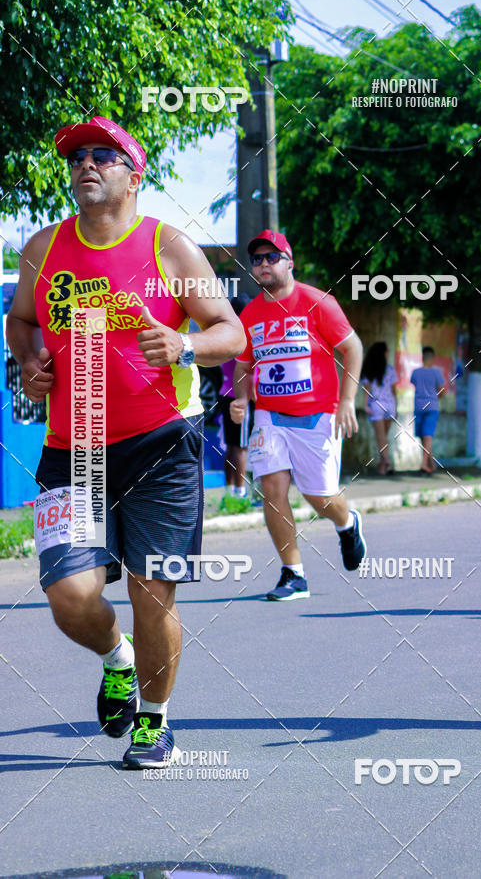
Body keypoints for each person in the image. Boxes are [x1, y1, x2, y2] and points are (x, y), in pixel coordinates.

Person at [6, 116, 245, 769]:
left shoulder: (170, 249)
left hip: (161, 444)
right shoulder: (42, 248)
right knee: (70, 596)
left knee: (152, 590)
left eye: (103, 155)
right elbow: (21, 319)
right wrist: (28, 359)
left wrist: (185, 343)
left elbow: (231, 332)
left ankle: (154, 720)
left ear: (133, 175)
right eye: (78, 156)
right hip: (71, 451)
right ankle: (117, 660)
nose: (86, 163)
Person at [230, 229, 366, 601]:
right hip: (270, 417)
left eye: (271, 257)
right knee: (272, 491)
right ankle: (294, 575)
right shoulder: (251, 314)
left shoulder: (317, 301)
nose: (263, 264)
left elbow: (351, 348)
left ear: (289, 262)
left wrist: (348, 400)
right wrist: (242, 399)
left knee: (319, 497)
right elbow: (244, 365)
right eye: (257, 259)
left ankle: (346, 522)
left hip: (316, 415)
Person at [218, 294, 254, 497]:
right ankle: (240, 493)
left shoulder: (226, 334)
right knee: (241, 446)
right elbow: (249, 368)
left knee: (232, 445)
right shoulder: (242, 336)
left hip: (224, 393)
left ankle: (229, 490)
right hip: (238, 396)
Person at [361, 341, 398, 474]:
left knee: (381, 437)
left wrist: (365, 405)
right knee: (384, 437)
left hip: (376, 405)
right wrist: (396, 405)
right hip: (390, 405)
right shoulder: (390, 369)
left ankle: (386, 461)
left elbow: (367, 389)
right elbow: (394, 390)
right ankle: (384, 466)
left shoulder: (368, 370)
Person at [410, 347, 446, 473]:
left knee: (423, 436)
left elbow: (413, 383)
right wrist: (436, 398)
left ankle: (424, 463)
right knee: (427, 436)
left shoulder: (415, 372)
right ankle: (430, 463)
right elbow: (443, 390)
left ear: (423, 357)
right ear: (432, 358)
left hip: (418, 406)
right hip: (432, 406)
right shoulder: (437, 373)